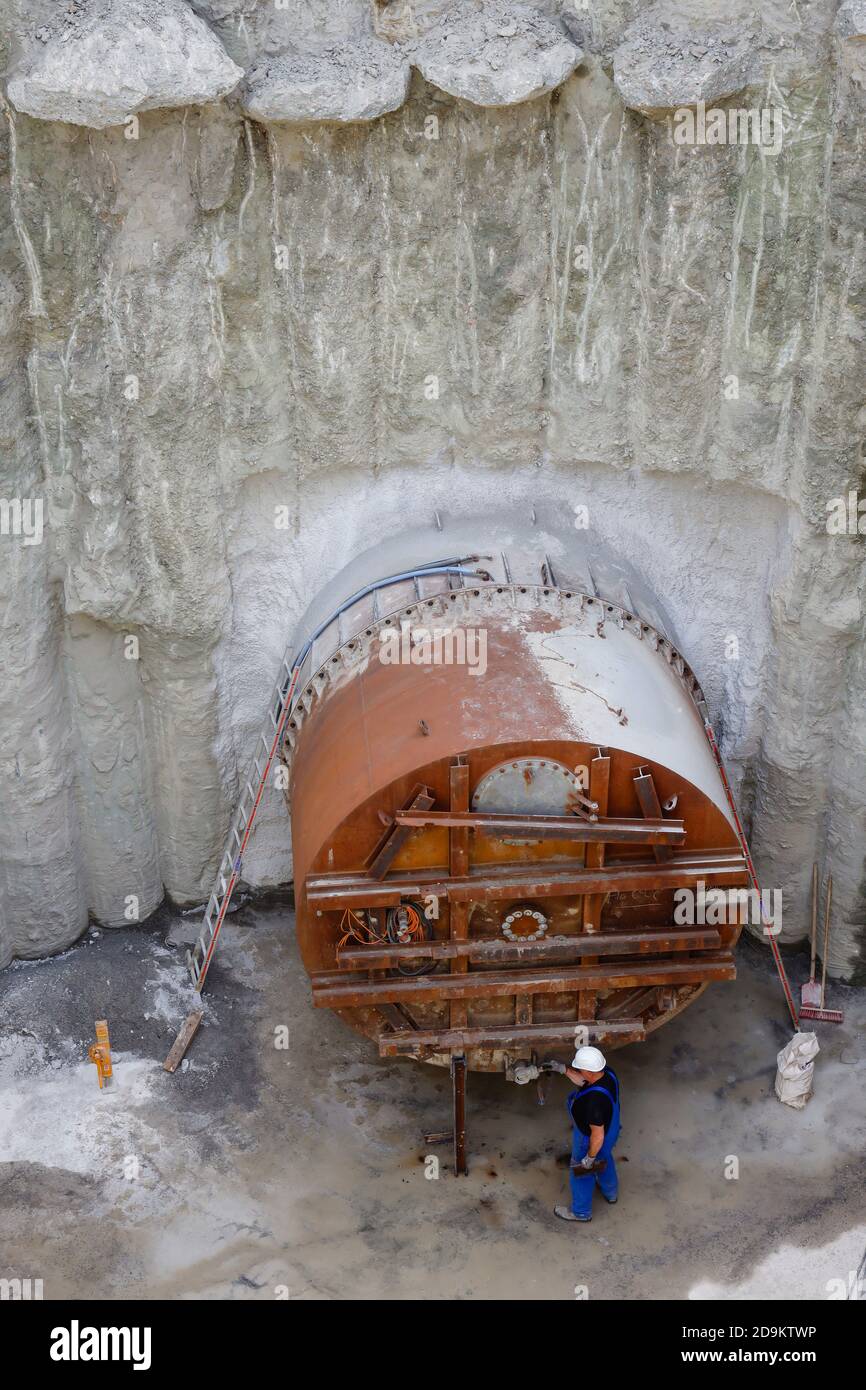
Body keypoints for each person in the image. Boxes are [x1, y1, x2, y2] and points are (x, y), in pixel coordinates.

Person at [548, 1045, 621, 1224]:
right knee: (604, 1159)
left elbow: (597, 1135)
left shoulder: (593, 1105)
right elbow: (584, 1081)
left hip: (591, 1140)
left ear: (589, 1071)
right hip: (612, 1130)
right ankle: (610, 1193)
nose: (579, 1071)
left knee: (581, 1172)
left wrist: (589, 1157)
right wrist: (563, 1069)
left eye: (580, 1068)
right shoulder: (608, 1074)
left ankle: (581, 1212)